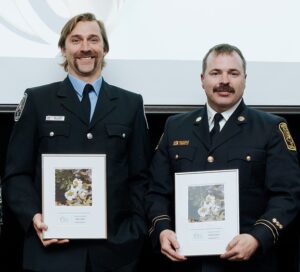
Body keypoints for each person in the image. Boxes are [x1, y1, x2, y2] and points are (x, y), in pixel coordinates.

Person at [3, 12, 151, 272]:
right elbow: (16, 174)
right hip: (51, 252)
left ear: (104, 48)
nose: (85, 47)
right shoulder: (37, 100)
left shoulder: (130, 103)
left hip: (115, 253)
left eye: (93, 39)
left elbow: (140, 176)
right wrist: (34, 217)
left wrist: (134, 230)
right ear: (63, 48)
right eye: (76, 40)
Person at [145, 43, 300, 272]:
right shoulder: (176, 127)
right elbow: (156, 192)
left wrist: (258, 237)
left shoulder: (271, 128)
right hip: (186, 263)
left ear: (245, 79)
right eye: (216, 73)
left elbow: (287, 195)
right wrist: (162, 229)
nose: (224, 81)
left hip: (250, 264)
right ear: (202, 78)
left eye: (233, 73)